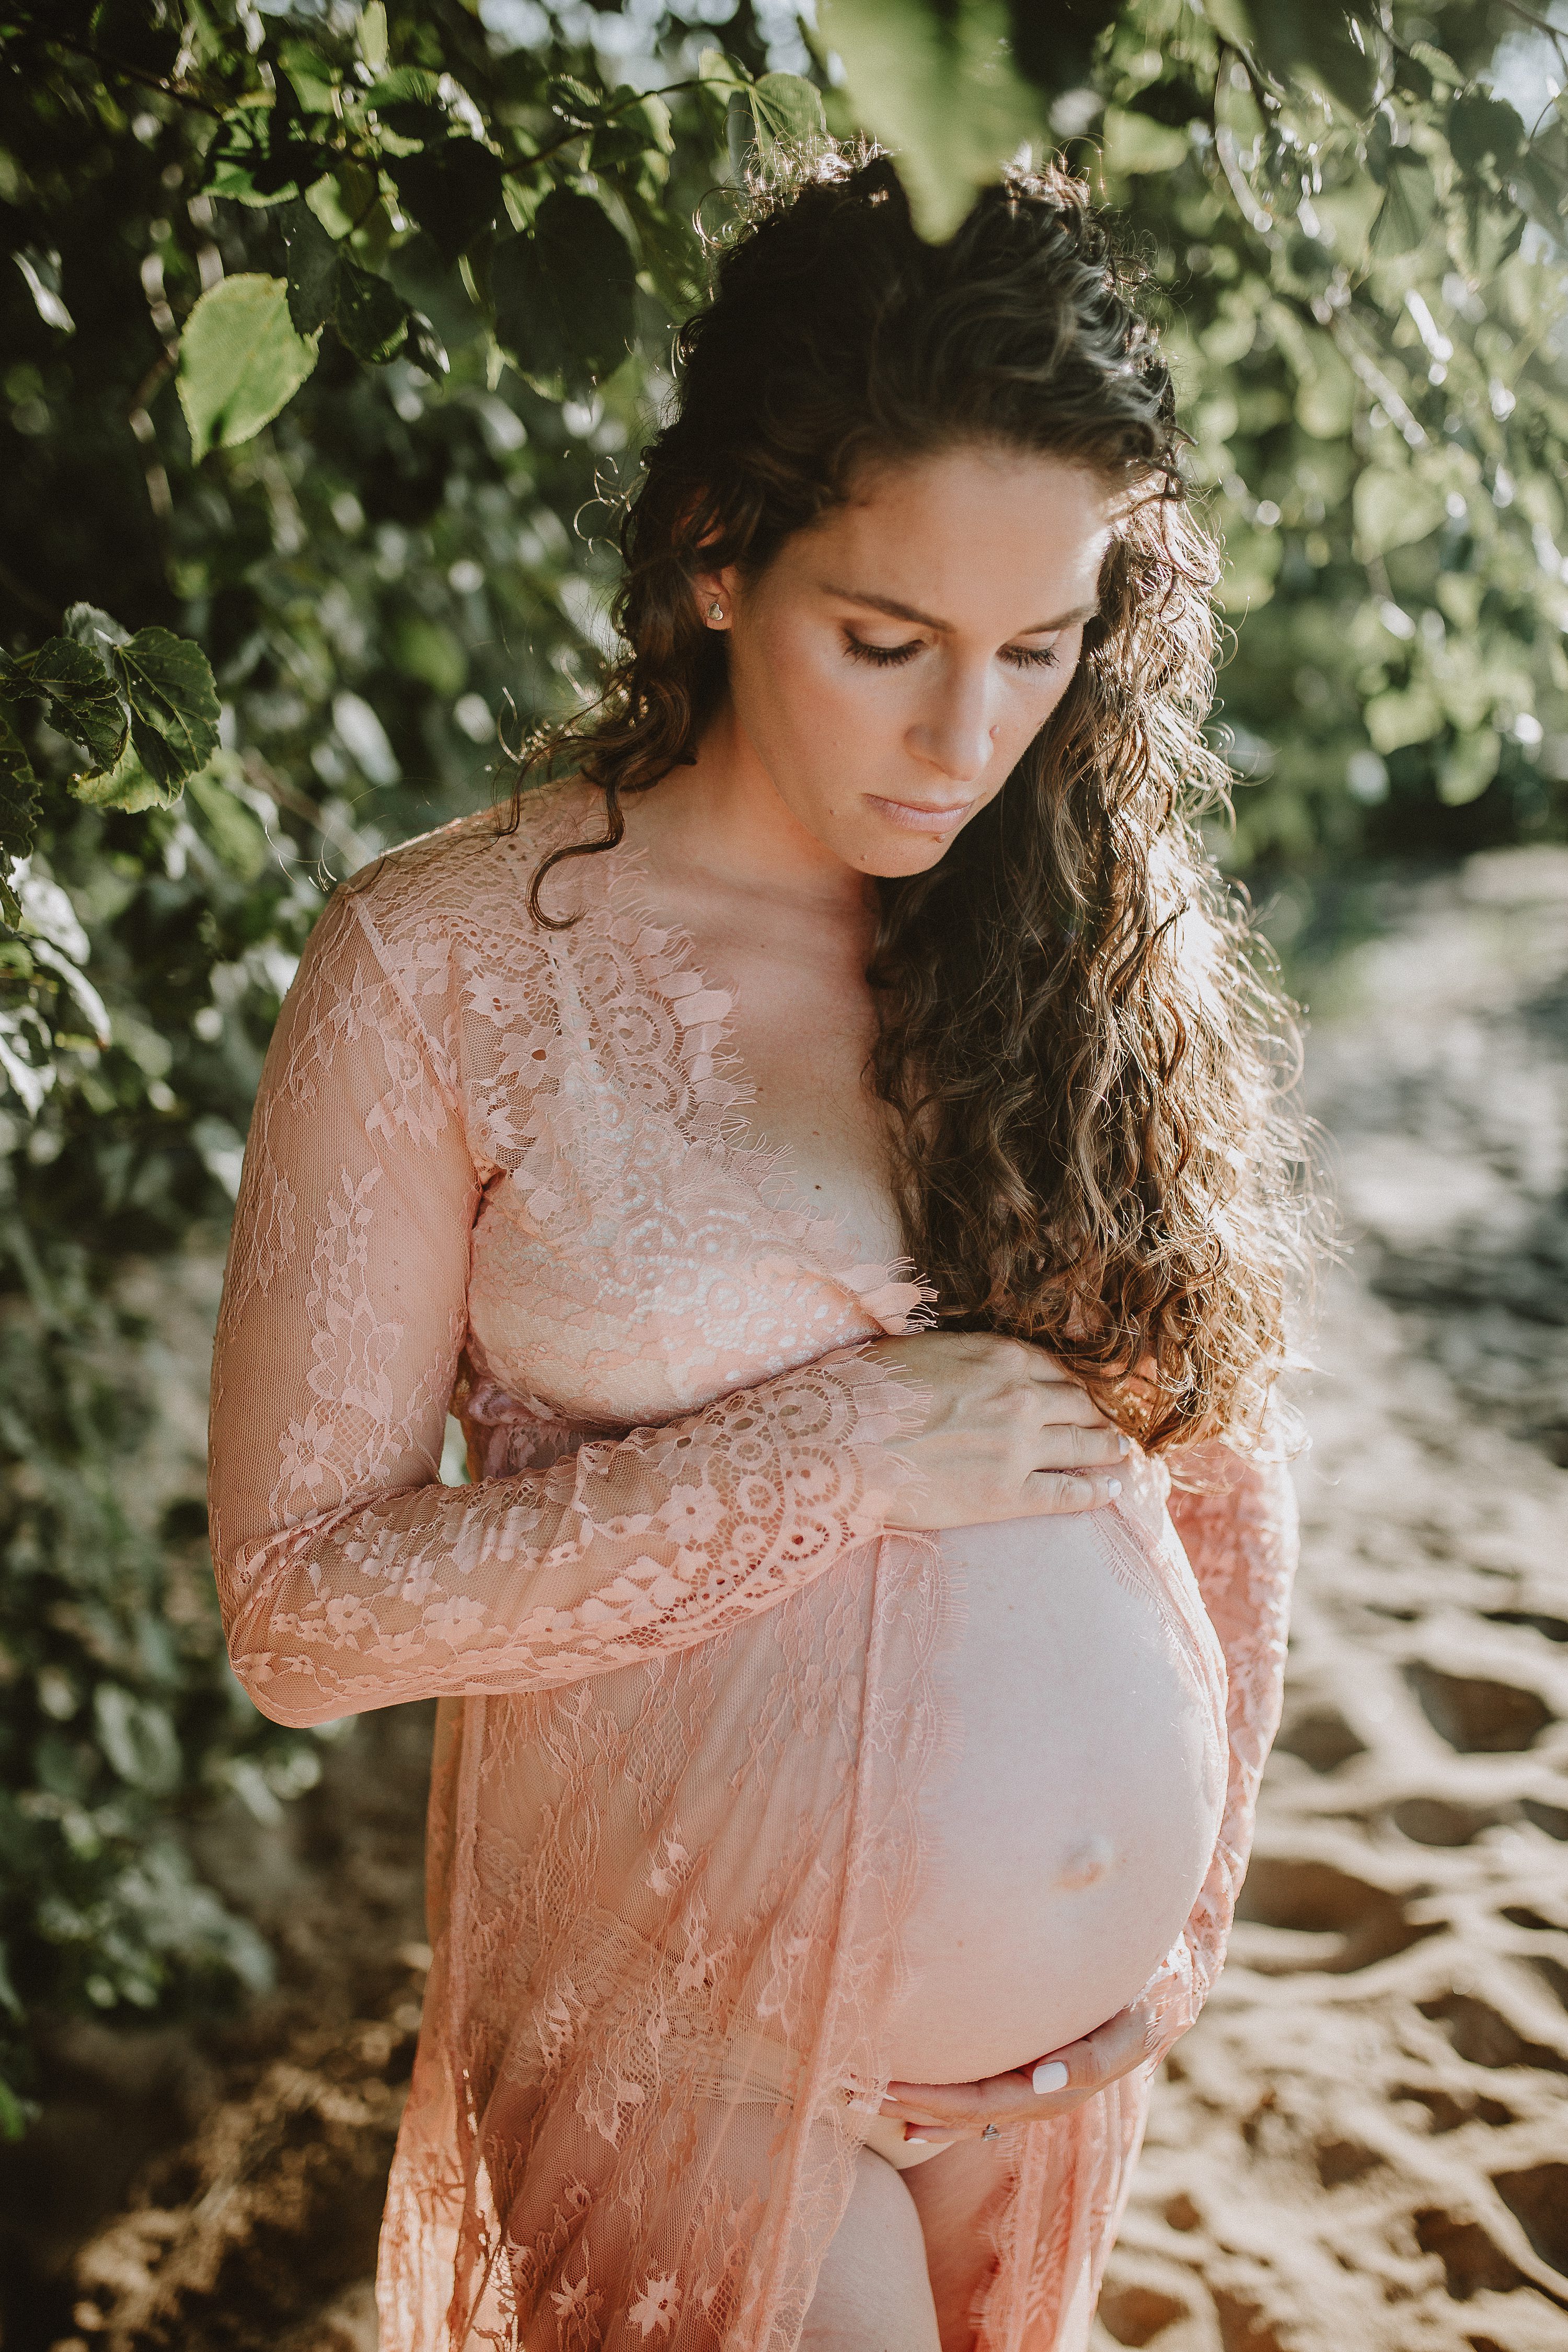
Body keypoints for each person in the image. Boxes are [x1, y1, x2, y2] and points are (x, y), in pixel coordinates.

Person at [208, 145, 1306, 2352]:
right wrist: (838, 1458)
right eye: (885, 642)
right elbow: (300, 1618)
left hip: (1053, 2070)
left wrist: (1177, 1915)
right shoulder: (445, 967)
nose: (968, 739)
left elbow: (1210, 1458)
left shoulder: (1089, 924)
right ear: (716, 556)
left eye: (1041, 646)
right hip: (681, 2039)